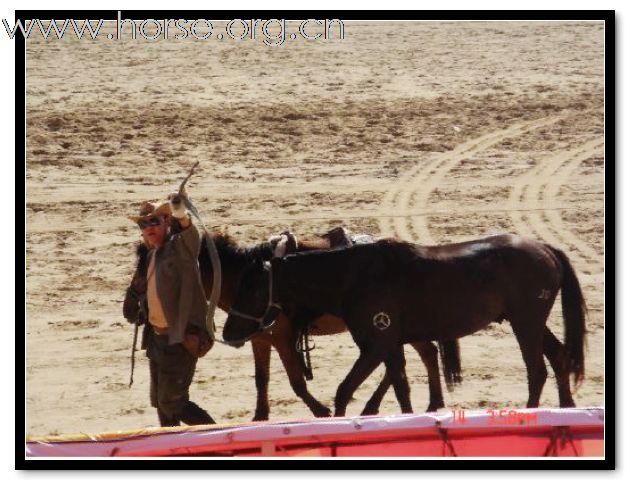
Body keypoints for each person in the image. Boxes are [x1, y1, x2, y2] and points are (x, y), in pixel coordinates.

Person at [125, 190, 215, 427]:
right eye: (144, 224)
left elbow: (189, 233)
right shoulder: (149, 256)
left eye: (155, 221)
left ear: (166, 222)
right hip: (156, 340)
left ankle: (221, 447)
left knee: (174, 402)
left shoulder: (180, 249)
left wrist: (179, 210)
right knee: (161, 404)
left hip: (181, 339)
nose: (149, 227)